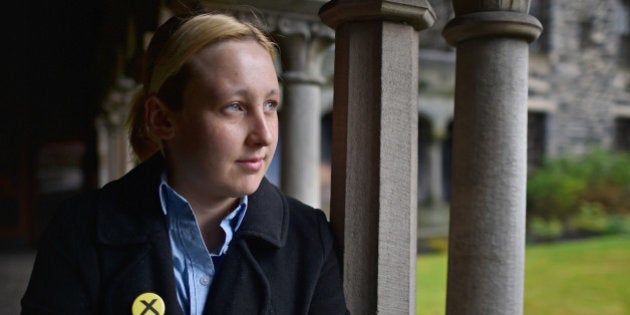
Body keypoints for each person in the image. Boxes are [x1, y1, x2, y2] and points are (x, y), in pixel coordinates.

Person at [21, 12, 348, 315]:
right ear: (161, 119)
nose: (264, 135)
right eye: (234, 106)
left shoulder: (309, 239)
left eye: (270, 104)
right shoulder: (80, 232)